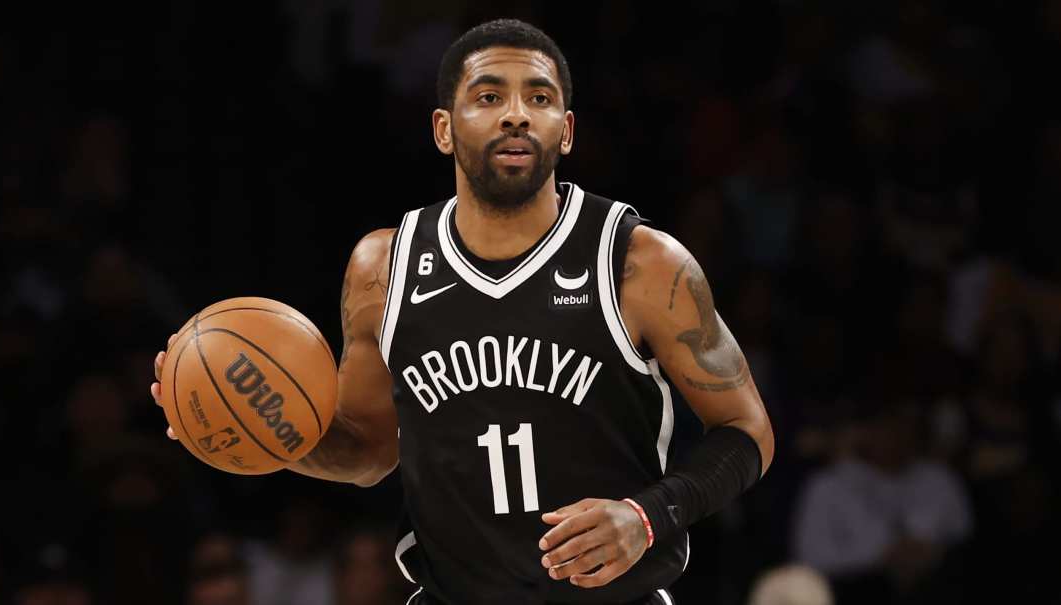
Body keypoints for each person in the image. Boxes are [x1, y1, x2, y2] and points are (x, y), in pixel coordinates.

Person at [152, 19, 774, 605]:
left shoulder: (640, 262)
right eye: (488, 96)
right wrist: (262, 431)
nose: (515, 115)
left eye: (538, 97)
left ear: (567, 129)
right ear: (444, 129)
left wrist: (646, 515)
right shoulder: (381, 268)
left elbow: (749, 432)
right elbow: (368, 452)